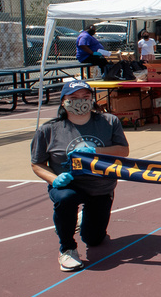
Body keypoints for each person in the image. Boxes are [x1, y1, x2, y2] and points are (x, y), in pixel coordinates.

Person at [30, 79, 129, 272]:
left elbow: (123, 150)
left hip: (100, 186)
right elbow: (37, 164)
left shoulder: (109, 121)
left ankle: (85, 218)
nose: (80, 102)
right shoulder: (48, 130)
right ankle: (67, 248)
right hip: (69, 185)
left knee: (94, 239)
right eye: (73, 98)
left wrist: (98, 150)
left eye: (85, 97)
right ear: (63, 101)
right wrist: (54, 179)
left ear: (92, 99)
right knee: (66, 199)